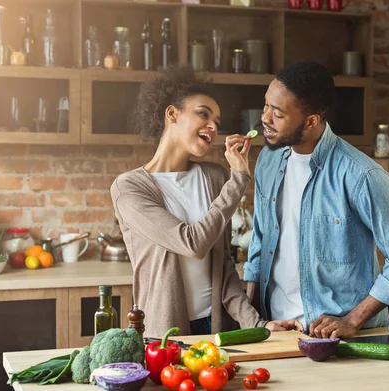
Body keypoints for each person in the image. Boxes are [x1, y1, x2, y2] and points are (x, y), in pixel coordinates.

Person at [111, 64, 301, 337]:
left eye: (217, 122)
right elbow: (192, 244)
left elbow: (223, 268)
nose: (212, 127)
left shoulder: (214, 177)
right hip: (165, 333)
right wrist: (239, 179)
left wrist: (258, 325)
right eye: (203, 114)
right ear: (172, 114)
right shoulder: (129, 188)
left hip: (217, 327)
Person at [243, 61, 389, 339]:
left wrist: (352, 320)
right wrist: (252, 318)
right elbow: (260, 241)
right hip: (278, 332)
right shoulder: (268, 161)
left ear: (311, 121)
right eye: (266, 105)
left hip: (342, 339)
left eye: (278, 113)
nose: (265, 118)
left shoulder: (361, 175)